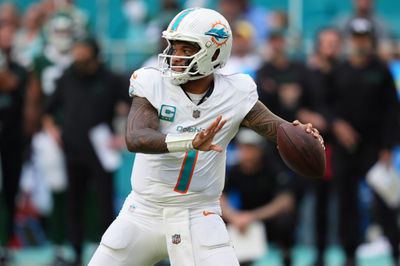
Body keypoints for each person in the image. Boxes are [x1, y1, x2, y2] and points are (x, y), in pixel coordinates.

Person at [88, 7, 323, 266]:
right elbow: (136, 137)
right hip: (143, 212)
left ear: (214, 53)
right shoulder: (152, 82)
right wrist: (189, 141)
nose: (175, 56)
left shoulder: (235, 92)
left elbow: (278, 130)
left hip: (200, 214)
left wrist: (301, 133)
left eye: (187, 49)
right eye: (173, 46)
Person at [43, 36, 130, 266]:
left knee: (104, 204)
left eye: (82, 49)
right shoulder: (67, 77)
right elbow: (48, 110)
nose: (78, 54)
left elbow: (136, 108)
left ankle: (111, 256)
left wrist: (123, 137)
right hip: (73, 151)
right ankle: (77, 254)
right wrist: (53, 131)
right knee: (75, 203)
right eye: (76, 49)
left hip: (102, 152)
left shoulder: (110, 78)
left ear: (94, 52)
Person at [327, 17, 400, 266]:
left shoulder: (381, 71)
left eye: (365, 39)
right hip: (345, 149)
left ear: (371, 41)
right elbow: (327, 107)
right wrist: (338, 125)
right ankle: (350, 253)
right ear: (350, 41)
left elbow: (393, 111)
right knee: (347, 201)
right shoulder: (339, 71)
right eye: (357, 38)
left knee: (383, 201)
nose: (361, 43)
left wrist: (388, 147)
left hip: (374, 148)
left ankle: (395, 248)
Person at [221, 128, 296, 266]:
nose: (246, 151)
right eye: (243, 147)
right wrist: (234, 216)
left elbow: (286, 201)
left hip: (267, 219)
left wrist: (253, 216)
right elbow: (220, 198)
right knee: (217, 220)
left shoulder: (273, 168)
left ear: (260, 149)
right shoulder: (233, 171)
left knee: (285, 220)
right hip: (242, 220)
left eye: (251, 147)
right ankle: (239, 259)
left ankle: (286, 256)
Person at [306, 28, 342, 266]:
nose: (330, 47)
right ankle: (319, 251)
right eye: (325, 42)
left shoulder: (347, 74)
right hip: (317, 147)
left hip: (344, 148)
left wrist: (334, 123)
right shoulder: (309, 75)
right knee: (319, 201)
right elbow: (299, 107)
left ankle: (350, 252)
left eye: (334, 43)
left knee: (347, 202)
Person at [0, 21, 28, 266]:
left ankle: (5, 243)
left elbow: (11, 85)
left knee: (10, 190)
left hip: (12, 136)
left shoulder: (20, 66)